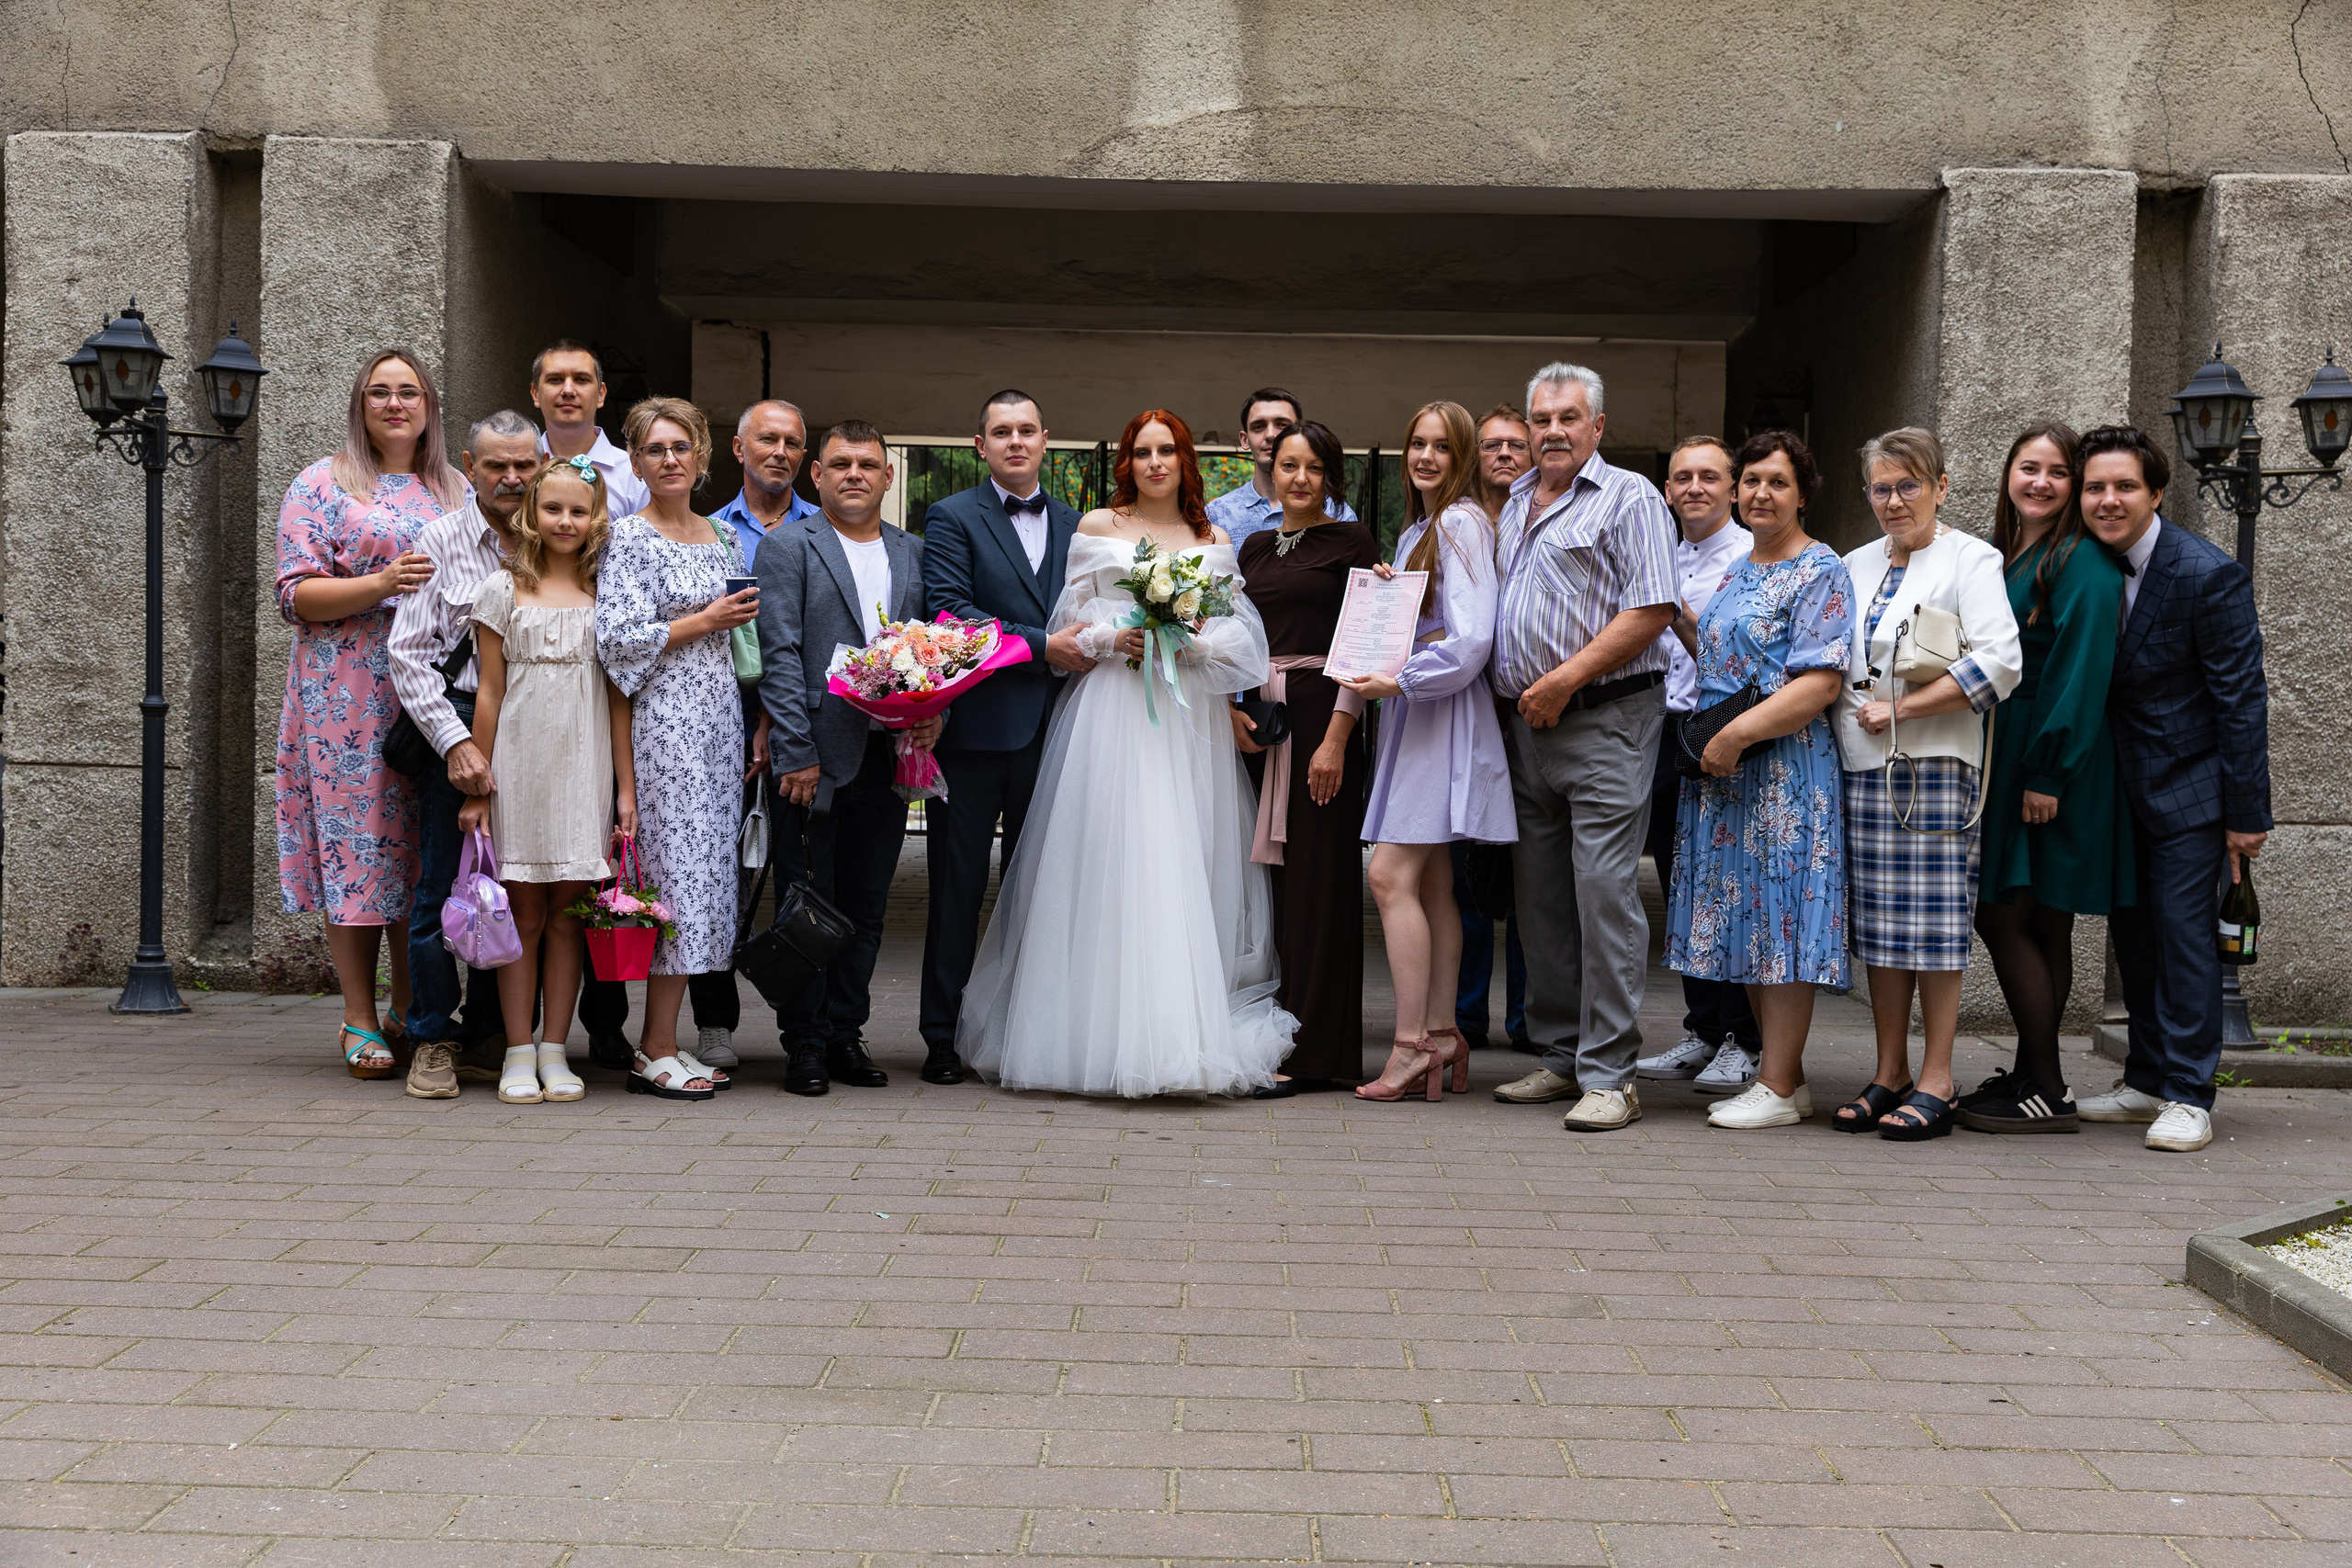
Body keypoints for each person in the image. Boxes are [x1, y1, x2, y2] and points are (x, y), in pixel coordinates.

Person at [958, 409, 1292, 1097]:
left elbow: (1241, 639)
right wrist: (1115, 640)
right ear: (1127, 463)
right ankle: (1091, 1036)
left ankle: (1178, 1038)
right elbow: (1065, 628)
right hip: (1111, 714)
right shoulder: (1096, 529)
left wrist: (1193, 645)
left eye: (1167, 450)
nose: (1155, 462)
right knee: (1110, 861)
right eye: (1142, 452)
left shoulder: (1214, 537)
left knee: (1181, 862)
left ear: (1186, 458)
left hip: (1187, 721)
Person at [1487, 364, 1678, 1134]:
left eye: (1569, 417)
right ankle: (1561, 1054)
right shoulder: (1513, 503)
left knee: (1603, 893)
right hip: (1525, 727)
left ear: (1598, 425)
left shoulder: (1629, 496)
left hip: (1603, 718)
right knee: (1540, 899)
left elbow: (1652, 607)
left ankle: (1612, 1073)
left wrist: (1563, 680)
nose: (1553, 431)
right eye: (1541, 418)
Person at [2075, 424, 2271, 1155]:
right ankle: (2146, 1076)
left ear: (2156, 492)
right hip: (2118, 790)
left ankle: (2190, 1094)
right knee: (2136, 936)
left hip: (2194, 791)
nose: (2108, 499)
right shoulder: (2088, 563)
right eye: (2095, 486)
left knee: (2187, 942)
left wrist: (2247, 816)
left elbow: (2241, 700)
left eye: (2125, 485)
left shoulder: (2206, 572)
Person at [275, 347, 465, 1082]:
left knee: (420, 850)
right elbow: (293, 594)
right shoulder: (322, 483)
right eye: (380, 392)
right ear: (360, 404)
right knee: (359, 848)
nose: (394, 404)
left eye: (408, 392)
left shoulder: (455, 487)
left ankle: (413, 1008)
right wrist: (383, 581)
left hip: (434, 692)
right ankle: (359, 1011)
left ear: (429, 407)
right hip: (344, 693)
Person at [1662, 432, 1856, 1131]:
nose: (1760, 494)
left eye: (1777, 482)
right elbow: (1726, 655)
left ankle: (1774, 1084)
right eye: (1750, 482)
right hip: (1724, 773)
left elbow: (1820, 680)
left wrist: (1737, 733)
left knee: (1782, 922)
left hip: (1783, 772)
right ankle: (1788, 1078)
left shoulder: (1819, 569)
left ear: (1803, 492)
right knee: (1745, 919)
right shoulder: (1739, 568)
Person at [1833, 428, 2022, 1140]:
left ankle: (1938, 1075)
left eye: (1909, 484)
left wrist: (1904, 708)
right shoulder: (1851, 564)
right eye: (1881, 487)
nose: (1894, 499)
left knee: (1936, 931)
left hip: (1938, 767)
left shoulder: (1972, 557)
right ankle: (1890, 1071)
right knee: (1883, 931)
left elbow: (2003, 662)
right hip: (1861, 766)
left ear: (1941, 486)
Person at [756, 420, 941, 1096]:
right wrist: (795, 752)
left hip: (889, 757)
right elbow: (777, 654)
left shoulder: (912, 551)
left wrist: (932, 713)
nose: (854, 474)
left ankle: (845, 1033)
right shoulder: (787, 547)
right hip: (814, 760)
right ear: (818, 476)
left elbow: (929, 651)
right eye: (840, 464)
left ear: (888, 476)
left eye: (867, 463)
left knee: (866, 905)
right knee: (807, 901)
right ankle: (802, 1042)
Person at [1336, 401, 1512, 1101]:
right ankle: (1442, 1032)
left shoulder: (1462, 523)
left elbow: (1471, 640)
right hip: (1421, 715)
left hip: (1439, 714)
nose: (1427, 457)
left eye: (1443, 446)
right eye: (1417, 443)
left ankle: (1410, 1044)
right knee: (1434, 882)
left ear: (1463, 456)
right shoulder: (1419, 530)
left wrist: (1401, 676)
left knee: (1387, 877)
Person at [1964, 423, 2134, 1134]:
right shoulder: (2012, 551)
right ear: (2008, 474)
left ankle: (2050, 1084)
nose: (2040, 482)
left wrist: (2047, 772)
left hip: (2047, 756)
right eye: (2028, 468)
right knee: (2043, 918)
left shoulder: (2082, 560)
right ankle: (2037, 1075)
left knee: (2003, 910)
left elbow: (2080, 668)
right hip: (2015, 749)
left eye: (2058, 472)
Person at [919, 389, 1084, 1087]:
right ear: (978, 444)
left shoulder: (1082, 523)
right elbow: (950, 610)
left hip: (1060, 732)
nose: (1015, 441)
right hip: (976, 732)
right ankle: (940, 1034)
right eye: (1000, 431)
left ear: (1046, 439)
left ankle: (1023, 1030)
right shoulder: (952, 516)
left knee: (1038, 890)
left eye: (1026, 430)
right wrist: (1045, 644)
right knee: (957, 888)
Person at [594, 397, 752, 1100]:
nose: (669, 459)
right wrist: (704, 618)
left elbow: (739, 637)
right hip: (663, 731)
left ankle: (668, 1038)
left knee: (708, 887)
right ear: (635, 462)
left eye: (680, 447)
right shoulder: (629, 538)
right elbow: (617, 644)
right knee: (674, 886)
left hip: (718, 728)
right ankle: (652, 1045)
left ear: (702, 456)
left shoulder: (724, 538)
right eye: (654, 449)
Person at [457, 457, 629, 1105]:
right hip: (520, 766)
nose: (565, 520)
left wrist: (626, 789)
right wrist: (478, 781)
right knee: (521, 911)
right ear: (532, 513)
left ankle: (557, 1048)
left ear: (595, 519)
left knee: (568, 914)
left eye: (578, 510)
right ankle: (518, 1047)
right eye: (552, 508)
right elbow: (490, 694)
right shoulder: (502, 590)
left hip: (585, 765)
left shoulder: (606, 593)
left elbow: (619, 699)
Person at [387, 408, 541, 1098]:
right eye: (496, 465)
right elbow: (409, 655)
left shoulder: (562, 536)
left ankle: (488, 1036)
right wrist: (455, 744)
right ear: (470, 469)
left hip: (538, 729)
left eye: (524, 464)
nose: (511, 477)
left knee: (514, 891)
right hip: (457, 720)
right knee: (442, 890)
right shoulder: (441, 538)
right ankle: (431, 1037)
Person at [1238, 420, 1382, 1091]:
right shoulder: (1255, 548)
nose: (1299, 477)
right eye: (1288, 464)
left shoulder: (1351, 542)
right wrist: (1234, 709)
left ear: (1331, 477)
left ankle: (1319, 1050)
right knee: (1271, 885)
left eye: (1313, 467)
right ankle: (1273, 1032)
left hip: (1323, 713)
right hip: (1260, 720)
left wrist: (1336, 737)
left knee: (1320, 880)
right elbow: (1233, 636)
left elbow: (1364, 641)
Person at [1634, 435, 1766, 1096]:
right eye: (1682, 476)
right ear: (1667, 490)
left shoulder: (1751, 557)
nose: (1694, 488)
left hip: (1726, 729)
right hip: (1664, 730)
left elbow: (1736, 658)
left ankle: (1746, 1038)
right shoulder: (1663, 554)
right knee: (1683, 884)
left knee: (1730, 886)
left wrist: (1681, 617)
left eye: (1710, 477)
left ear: (1734, 488)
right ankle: (1703, 1028)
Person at [1454, 403, 1532, 1052]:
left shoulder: (1550, 519)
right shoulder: (1454, 523)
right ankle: (1465, 1014)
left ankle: (1532, 1017)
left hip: (1534, 712)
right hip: (1467, 710)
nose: (1504, 453)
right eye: (1491, 445)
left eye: (1516, 443)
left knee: (1533, 869)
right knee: (1467, 868)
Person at [1205, 387, 1358, 553]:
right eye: (1258, 427)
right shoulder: (1217, 514)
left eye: (1282, 425)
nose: (1271, 434)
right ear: (1244, 439)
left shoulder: (1337, 513)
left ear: (1300, 431)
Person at [531, 339, 650, 523]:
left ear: (601, 394)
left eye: (581, 380)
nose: (568, 390)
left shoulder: (634, 475)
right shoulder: (519, 469)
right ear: (536, 393)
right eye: (555, 379)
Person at [715, 400, 821, 571]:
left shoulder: (827, 527)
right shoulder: (710, 531)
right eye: (768, 439)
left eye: (792, 443)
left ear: (802, 458)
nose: (780, 452)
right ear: (739, 448)